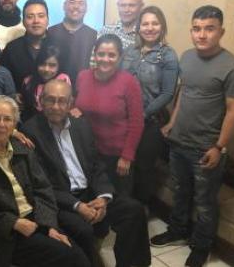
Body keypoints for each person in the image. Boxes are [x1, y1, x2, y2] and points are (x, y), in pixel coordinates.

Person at [150, 5, 234, 267]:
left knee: (205, 202)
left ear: (221, 31)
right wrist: (172, 122)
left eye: (209, 29)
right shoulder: (187, 57)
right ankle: (177, 230)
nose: (202, 35)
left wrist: (219, 147)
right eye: (197, 28)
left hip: (206, 148)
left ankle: (201, 246)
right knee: (180, 192)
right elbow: (184, 93)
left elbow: (233, 112)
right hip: (179, 141)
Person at [23, 79, 152, 267]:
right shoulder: (31, 131)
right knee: (82, 229)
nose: (56, 106)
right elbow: (40, 183)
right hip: (61, 200)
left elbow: (96, 165)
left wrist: (103, 197)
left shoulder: (81, 126)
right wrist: (77, 206)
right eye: (50, 100)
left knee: (133, 210)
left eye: (62, 101)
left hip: (90, 192)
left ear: (70, 103)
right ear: (41, 101)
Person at [0, 95, 90, 267]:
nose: (1, 124)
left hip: (36, 220)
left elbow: (43, 189)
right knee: (73, 258)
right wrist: (14, 223)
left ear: (15, 124)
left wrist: (48, 226)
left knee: (77, 249)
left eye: (7, 119)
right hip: (5, 233)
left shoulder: (22, 149)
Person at [120, 6, 180, 205]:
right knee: (123, 164)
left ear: (162, 26)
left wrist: (142, 114)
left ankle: (139, 211)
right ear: (139, 27)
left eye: (155, 23)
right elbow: (119, 81)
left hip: (150, 121)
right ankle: (123, 208)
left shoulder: (168, 55)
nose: (149, 28)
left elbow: (167, 93)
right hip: (123, 119)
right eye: (145, 23)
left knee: (143, 168)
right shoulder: (130, 51)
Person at [74, 34, 144, 196]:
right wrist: (75, 109)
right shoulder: (83, 76)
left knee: (119, 201)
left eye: (111, 55)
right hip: (89, 152)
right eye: (101, 54)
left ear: (120, 57)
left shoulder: (128, 82)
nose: (105, 59)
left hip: (116, 156)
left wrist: (127, 156)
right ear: (95, 54)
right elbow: (77, 105)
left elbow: (137, 122)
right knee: (94, 197)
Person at [0, 0, 51, 89]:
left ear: (48, 20)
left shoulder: (60, 46)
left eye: (41, 16)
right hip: (20, 102)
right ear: (23, 21)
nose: (36, 21)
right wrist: (13, 95)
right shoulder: (12, 49)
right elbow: (2, 80)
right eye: (30, 17)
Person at [48, 0, 97, 84]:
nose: (76, 7)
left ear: (86, 8)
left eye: (81, 3)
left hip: (84, 89)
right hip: (56, 91)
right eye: (72, 2)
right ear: (64, 6)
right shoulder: (51, 32)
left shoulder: (93, 35)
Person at [20, 45, 71, 121]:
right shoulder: (28, 81)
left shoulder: (63, 80)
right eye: (42, 64)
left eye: (52, 65)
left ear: (59, 66)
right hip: (32, 123)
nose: (46, 69)